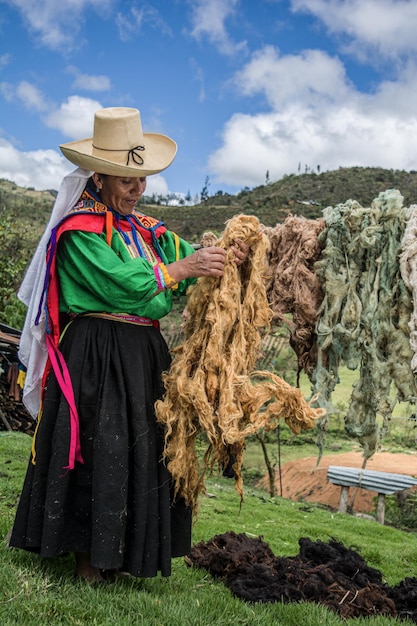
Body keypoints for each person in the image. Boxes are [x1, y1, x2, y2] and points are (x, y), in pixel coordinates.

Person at [9, 107, 249, 582]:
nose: (137, 190)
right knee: (101, 448)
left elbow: (185, 259)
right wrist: (179, 270)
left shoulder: (144, 230)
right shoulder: (77, 232)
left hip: (142, 354)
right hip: (97, 353)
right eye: (127, 181)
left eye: (141, 180)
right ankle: (88, 563)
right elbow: (121, 281)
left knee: (140, 448)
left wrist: (223, 254)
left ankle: (121, 555)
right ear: (98, 177)